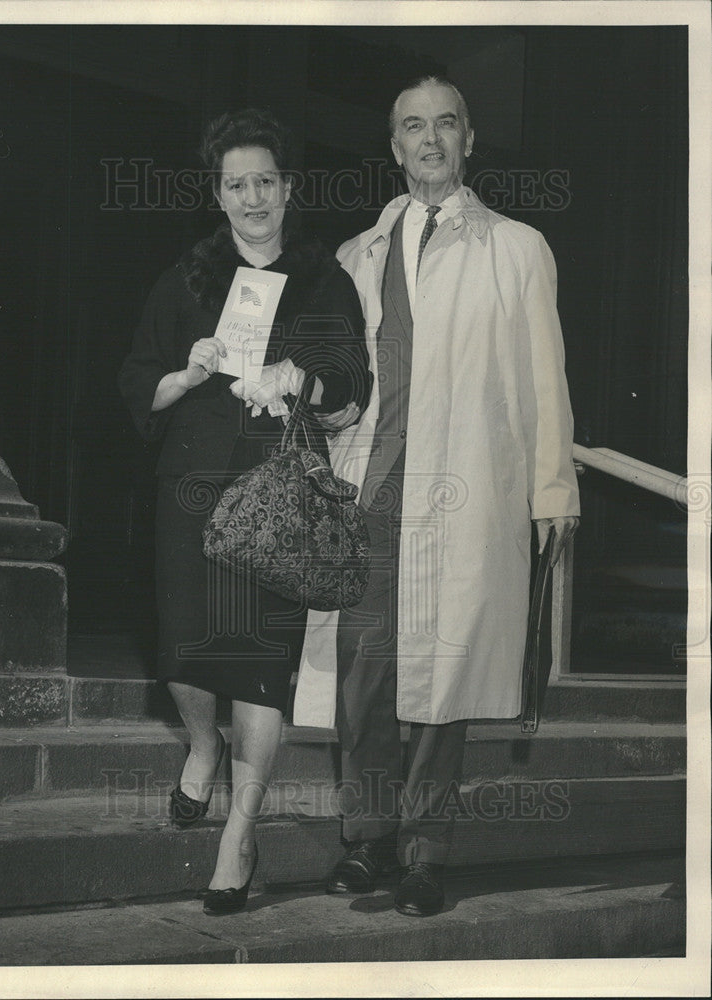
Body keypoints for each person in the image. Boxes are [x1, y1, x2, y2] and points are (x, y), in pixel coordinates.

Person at [293, 76, 581, 916]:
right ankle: (365, 841)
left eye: (444, 125)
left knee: (443, 680)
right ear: (392, 147)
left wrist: (550, 487)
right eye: (412, 127)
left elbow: (543, 378)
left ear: (467, 141)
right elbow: (342, 382)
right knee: (366, 675)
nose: (428, 140)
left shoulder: (516, 249)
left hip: (462, 492)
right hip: (369, 492)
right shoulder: (355, 256)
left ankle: (422, 852)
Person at [118, 108, 370, 915]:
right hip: (188, 487)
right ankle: (200, 744)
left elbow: (351, 388)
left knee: (262, 661)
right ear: (219, 195)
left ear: (288, 188)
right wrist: (189, 375)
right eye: (237, 184)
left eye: (266, 180)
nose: (253, 196)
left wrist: (301, 374)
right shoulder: (183, 280)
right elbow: (139, 387)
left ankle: (242, 831)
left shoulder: (327, 280)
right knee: (186, 652)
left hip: (279, 496)